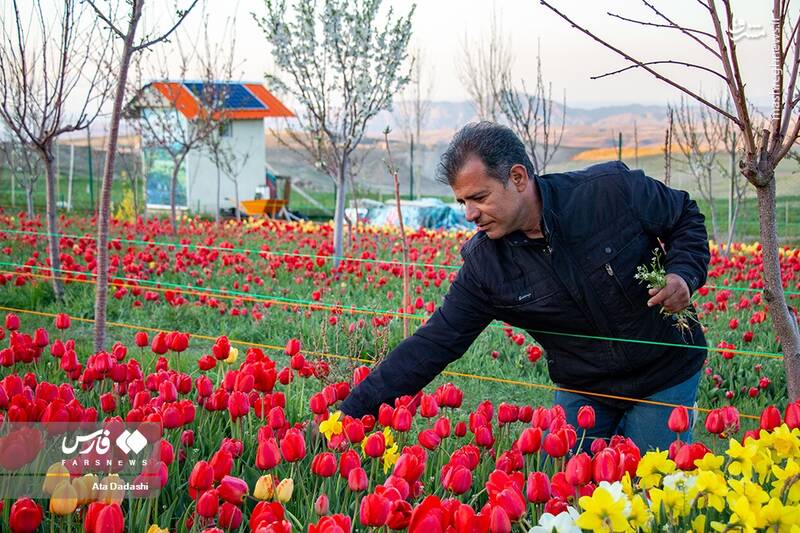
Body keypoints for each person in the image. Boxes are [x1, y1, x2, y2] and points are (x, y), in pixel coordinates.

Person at [338, 121, 709, 452]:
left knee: (648, 496)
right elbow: (434, 342)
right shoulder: (487, 266)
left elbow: (683, 216)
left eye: (479, 197)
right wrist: (349, 415)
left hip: (664, 373)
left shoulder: (609, 193)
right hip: (584, 385)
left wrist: (684, 275)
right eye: (462, 201)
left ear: (517, 178)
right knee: (565, 498)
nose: (468, 214)